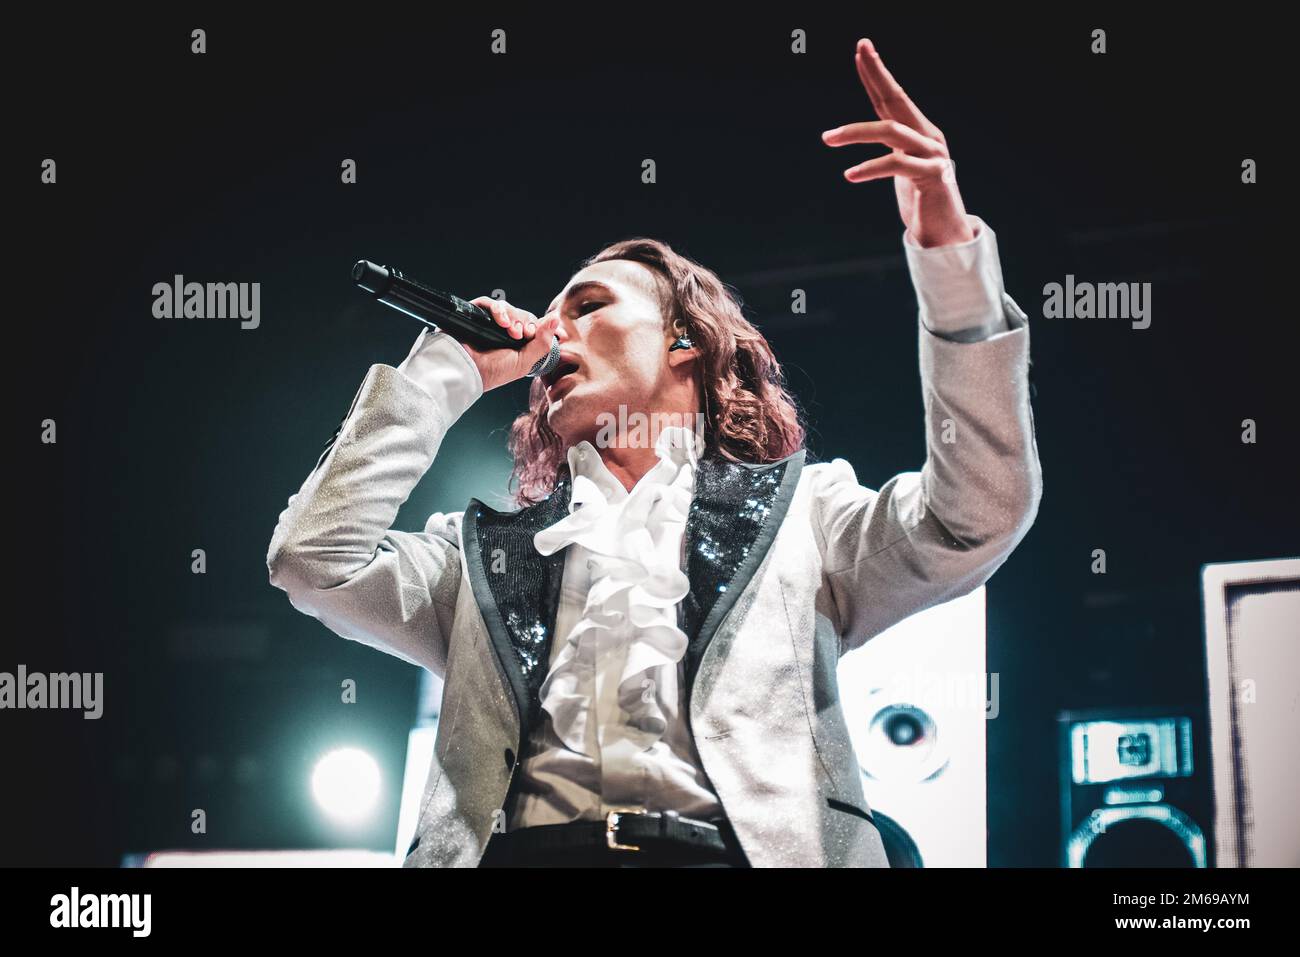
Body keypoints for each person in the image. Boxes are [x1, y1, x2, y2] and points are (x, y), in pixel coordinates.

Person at [266, 37, 1042, 867]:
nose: (554, 329)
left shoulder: (806, 517)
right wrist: (441, 374)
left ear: (683, 341)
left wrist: (951, 262)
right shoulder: (479, 555)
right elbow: (313, 561)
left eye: (590, 305)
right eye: (553, 314)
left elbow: (976, 514)